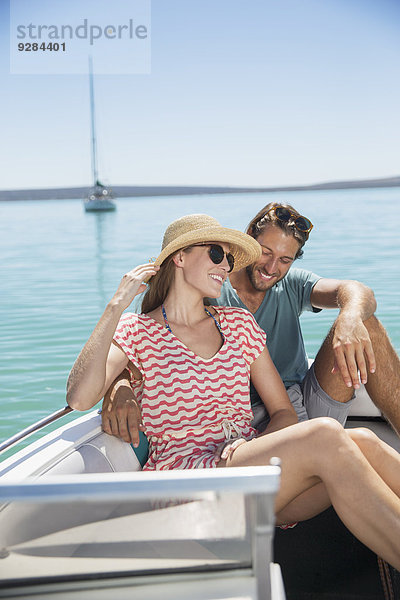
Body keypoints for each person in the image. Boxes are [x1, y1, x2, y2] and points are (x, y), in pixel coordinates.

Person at [67, 213, 400, 570]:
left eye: (227, 258)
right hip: (187, 485)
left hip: (243, 469)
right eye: (215, 254)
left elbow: (284, 412)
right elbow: (79, 398)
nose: (225, 266)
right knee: (327, 434)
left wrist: (252, 446)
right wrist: (115, 307)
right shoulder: (137, 331)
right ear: (178, 257)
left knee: (362, 439)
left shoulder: (238, 325)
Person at [102, 202, 400, 442]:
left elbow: (358, 291)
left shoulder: (293, 284)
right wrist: (120, 384)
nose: (272, 267)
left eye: (285, 260)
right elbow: (146, 335)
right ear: (248, 242)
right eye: (267, 253)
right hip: (236, 419)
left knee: (366, 321)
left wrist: (349, 316)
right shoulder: (209, 285)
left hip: (298, 403)